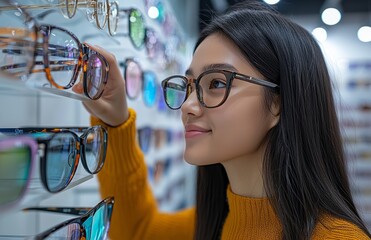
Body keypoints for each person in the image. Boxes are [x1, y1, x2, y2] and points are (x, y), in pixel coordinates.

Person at [73, 1, 371, 239]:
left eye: (217, 83)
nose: (188, 106)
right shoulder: (215, 222)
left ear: (278, 103)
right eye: (189, 86)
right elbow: (138, 231)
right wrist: (114, 119)